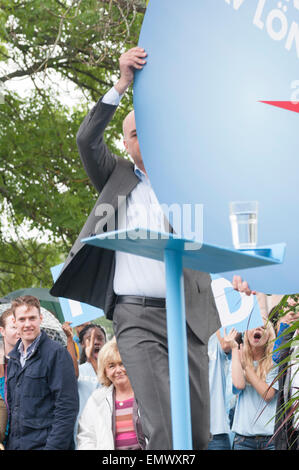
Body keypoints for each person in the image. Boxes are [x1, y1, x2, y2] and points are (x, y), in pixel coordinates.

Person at [50, 46, 255, 449]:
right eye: (133, 132)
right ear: (125, 144)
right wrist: (122, 84)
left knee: (198, 433)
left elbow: (225, 227)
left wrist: (243, 270)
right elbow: (87, 139)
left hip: (190, 315)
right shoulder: (115, 177)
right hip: (136, 317)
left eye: (150, 128)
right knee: (163, 429)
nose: (143, 136)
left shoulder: (191, 176)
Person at [6, 295, 79, 450]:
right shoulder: (13, 359)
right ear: (14, 322)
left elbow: (66, 409)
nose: (27, 324)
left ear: (40, 319)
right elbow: (14, 411)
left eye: (32, 318)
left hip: (47, 445)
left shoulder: (57, 354)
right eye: (22, 319)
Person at [77, 337, 145, 450]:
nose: (118, 370)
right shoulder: (97, 398)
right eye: (111, 366)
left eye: (122, 364)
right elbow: (86, 436)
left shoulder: (146, 394)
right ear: (105, 371)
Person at [229, 318, 278, 450]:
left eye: (263, 327)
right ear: (246, 333)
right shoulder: (238, 358)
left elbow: (268, 394)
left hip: (270, 440)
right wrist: (234, 348)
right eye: (253, 326)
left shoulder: (274, 363)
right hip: (243, 440)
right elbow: (239, 385)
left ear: (269, 336)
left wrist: (248, 369)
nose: (258, 329)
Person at [272, 296, 299, 450]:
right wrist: (285, 326)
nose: (291, 310)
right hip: (291, 431)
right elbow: (277, 357)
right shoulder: (291, 337)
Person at [74, 324, 107, 443]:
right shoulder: (78, 370)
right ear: (82, 344)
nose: (96, 342)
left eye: (100, 338)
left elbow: (107, 386)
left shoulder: (112, 371)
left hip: (105, 429)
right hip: (82, 433)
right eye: (90, 339)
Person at [207, 328, 239, 450]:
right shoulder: (174, 342)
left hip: (215, 433)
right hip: (185, 433)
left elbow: (226, 344)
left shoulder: (214, 340)